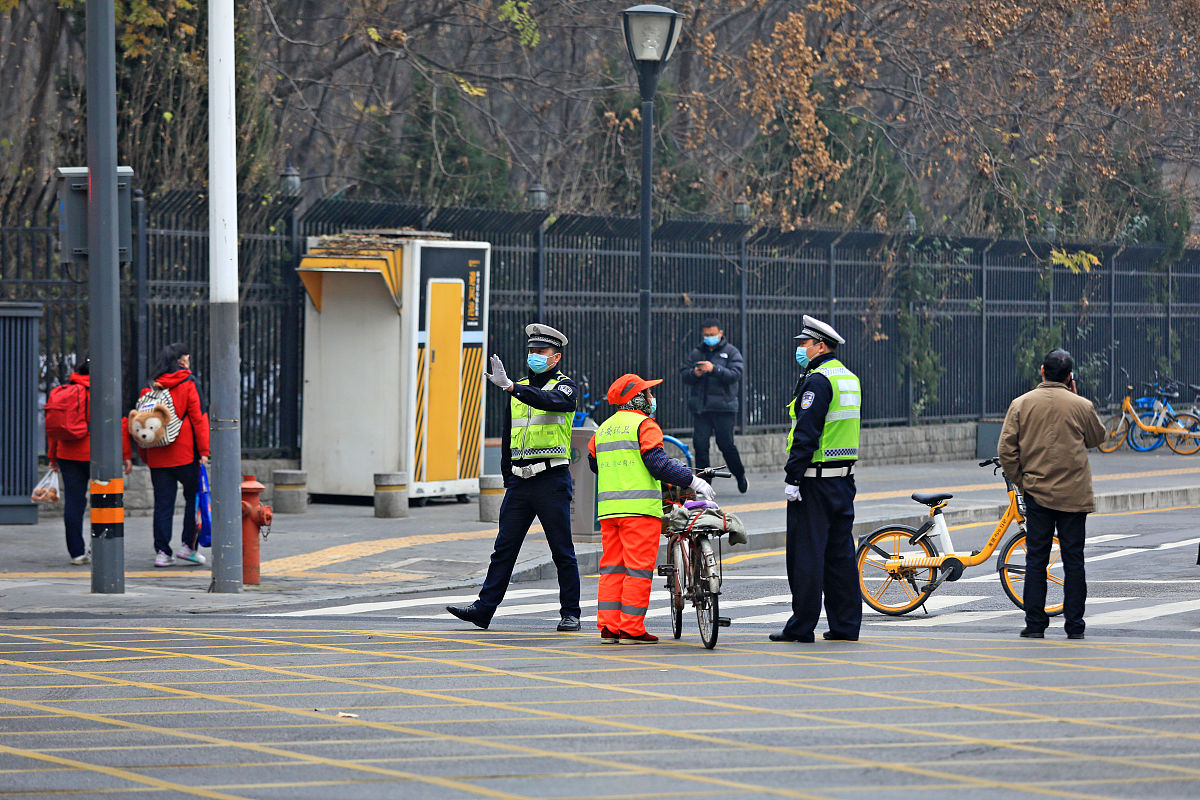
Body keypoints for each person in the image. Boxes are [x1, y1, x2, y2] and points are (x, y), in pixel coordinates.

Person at [447, 324, 582, 632]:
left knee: (562, 550)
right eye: (531, 350)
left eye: (541, 351)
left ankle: (571, 613)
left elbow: (552, 402)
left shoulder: (565, 387)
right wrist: (508, 476)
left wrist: (511, 387)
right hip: (520, 482)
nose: (534, 355)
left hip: (551, 479)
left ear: (556, 357)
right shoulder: (517, 386)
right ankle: (483, 610)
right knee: (504, 549)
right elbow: (509, 434)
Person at [588, 373, 715, 644]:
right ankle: (631, 629)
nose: (651, 398)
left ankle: (609, 628)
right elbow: (658, 465)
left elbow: (594, 464)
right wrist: (693, 481)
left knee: (612, 569)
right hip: (639, 511)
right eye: (648, 393)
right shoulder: (644, 425)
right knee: (637, 570)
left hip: (609, 512)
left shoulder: (603, 429)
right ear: (636, 398)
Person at [998, 348, 1105, 640]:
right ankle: (1075, 626)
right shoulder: (1081, 405)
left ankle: (1035, 624)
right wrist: (1077, 397)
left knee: (1036, 559)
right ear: (1070, 377)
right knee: (1074, 560)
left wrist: (1022, 481)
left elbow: (1006, 450)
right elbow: (1097, 438)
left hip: (1037, 492)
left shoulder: (1021, 404)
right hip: (1074, 495)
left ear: (1042, 371)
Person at [772, 315, 862, 644]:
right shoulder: (848, 378)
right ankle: (845, 625)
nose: (800, 348)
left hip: (814, 481)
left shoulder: (818, 381)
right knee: (840, 556)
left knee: (806, 555)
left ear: (820, 346)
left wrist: (792, 477)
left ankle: (801, 626)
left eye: (804, 343)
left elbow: (807, 433)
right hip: (843, 480)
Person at [46, 356, 132, 565]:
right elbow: (119, 425)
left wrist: (53, 456)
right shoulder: (103, 392)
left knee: (73, 503)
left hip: (68, 454)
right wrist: (125, 455)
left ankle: (76, 552)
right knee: (103, 501)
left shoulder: (66, 390)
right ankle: (100, 546)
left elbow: (55, 428)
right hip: (97, 455)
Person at [137, 343, 210, 568]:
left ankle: (162, 552)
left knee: (163, 503)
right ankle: (188, 547)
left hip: (158, 456)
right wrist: (204, 451)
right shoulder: (189, 383)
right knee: (194, 498)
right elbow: (199, 418)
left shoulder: (151, 388)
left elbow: (140, 423)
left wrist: (145, 455)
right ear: (183, 360)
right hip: (185, 454)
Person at [681, 319, 748, 493]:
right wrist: (694, 373)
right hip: (701, 408)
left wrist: (714, 369)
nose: (709, 337)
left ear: (720, 333)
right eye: (706, 335)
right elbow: (684, 374)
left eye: (712, 334)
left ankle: (739, 474)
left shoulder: (731, 352)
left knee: (726, 444)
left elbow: (735, 374)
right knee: (700, 445)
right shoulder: (697, 352)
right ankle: (704, 485)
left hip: (724, 408)